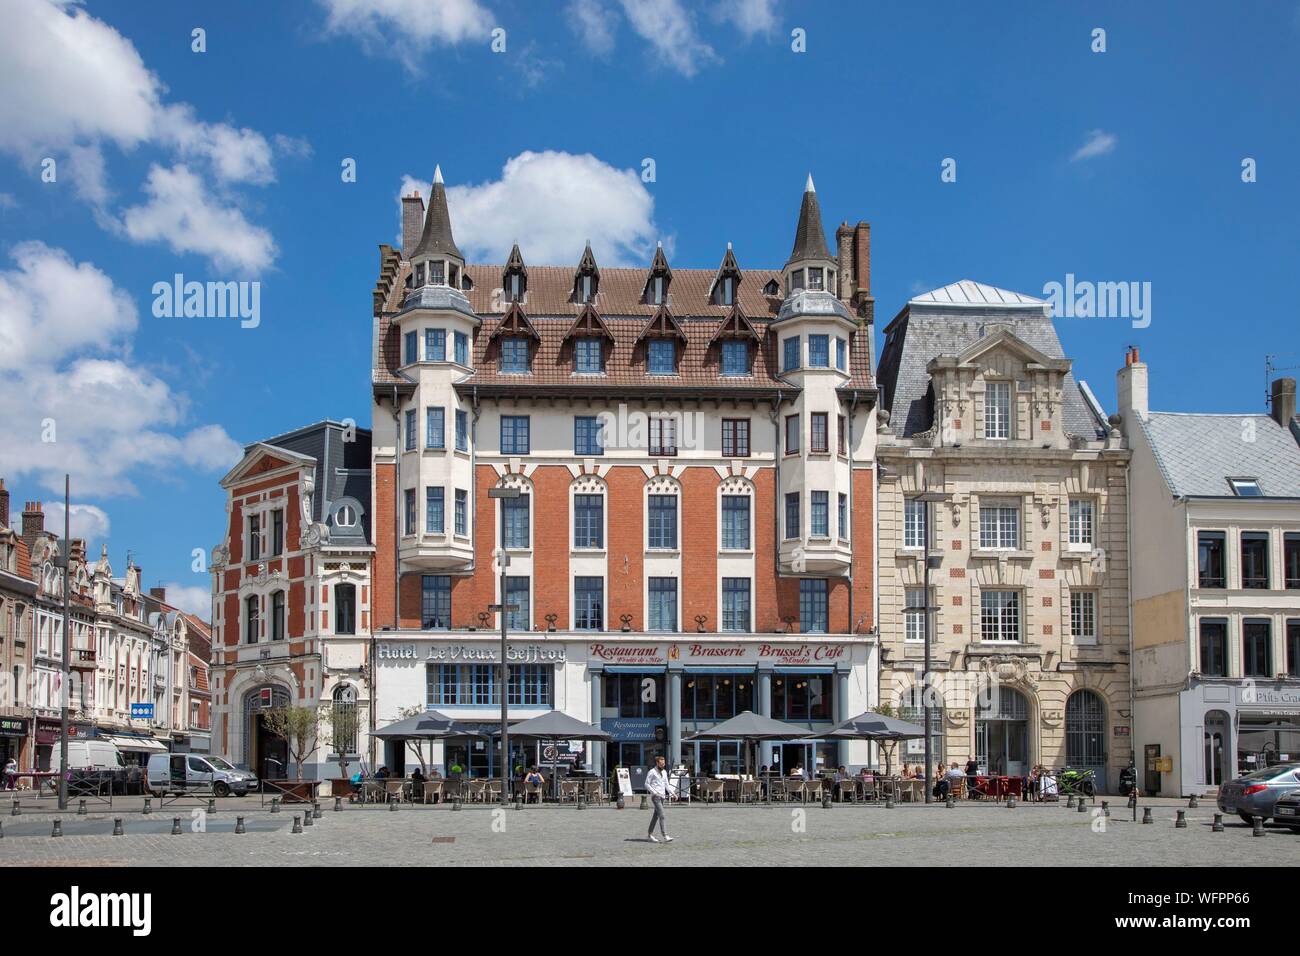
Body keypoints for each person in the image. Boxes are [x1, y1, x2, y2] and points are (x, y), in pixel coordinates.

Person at [644, 755, 673, 844]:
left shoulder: (664, 772)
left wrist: (673, 793)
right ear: (657, 763)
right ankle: (665, 835)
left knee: (655, 816)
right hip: (656, 797)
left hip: (662, 797)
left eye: (664, 763)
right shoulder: (652, 772)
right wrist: (654, 792)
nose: (663, 765)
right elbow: (646, 784)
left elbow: (666, 785)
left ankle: (649, 835)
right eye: (661, 763)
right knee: (662, 815)